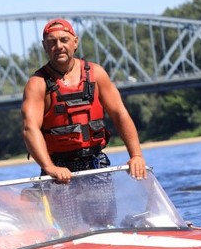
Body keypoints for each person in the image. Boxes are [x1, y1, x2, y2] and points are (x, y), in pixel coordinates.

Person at [21, 17, 147, 184]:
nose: (59, 46)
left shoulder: (97, 74)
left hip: (96, 162)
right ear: (45, 46)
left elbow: (119, 114)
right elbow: (30, 128)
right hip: (58, 169)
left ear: (75, 42)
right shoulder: (37, 84)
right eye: (52, 42)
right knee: (63, 210)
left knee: (104, 211)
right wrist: (49, 167)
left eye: (64, 40)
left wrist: (136, 156)